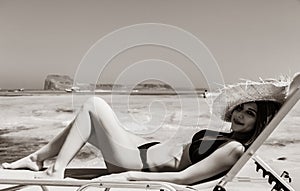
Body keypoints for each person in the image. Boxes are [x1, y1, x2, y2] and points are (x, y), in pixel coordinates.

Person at [1, 80, 288, 185]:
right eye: (241, 109)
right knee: (85, 123)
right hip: (143, 150)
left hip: (137, 163)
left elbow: (183, 178)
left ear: (258, 123)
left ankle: (54, 170)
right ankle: (37, 159)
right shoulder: (229, 138)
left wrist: (129, 176)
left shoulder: (235, 150)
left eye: (250, 114)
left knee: (93, 105)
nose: (240, 115)